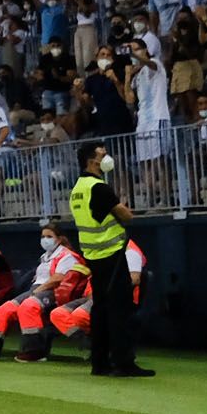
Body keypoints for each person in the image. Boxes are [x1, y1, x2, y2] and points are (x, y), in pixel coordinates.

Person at [70, 142, 153, 376]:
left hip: (93, 256)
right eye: (102, 154)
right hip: (111, 255)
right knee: (120, 310)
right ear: (91, 161)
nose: (107, 157)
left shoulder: (78, 188)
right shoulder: (99, 187)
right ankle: (123, 362)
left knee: (100, 310)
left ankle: (100, 362)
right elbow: (126, 216)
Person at [0, 225, 85, 362]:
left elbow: (59, 278)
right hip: (36, 289)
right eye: (43, 236)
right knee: (3, 310)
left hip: (54, 291)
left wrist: (38, 290)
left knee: (28, 306)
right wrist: (34, 290)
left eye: (49, 236)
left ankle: (33, 351)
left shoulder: (67, 255)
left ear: (60, 239)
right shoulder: (45, 257)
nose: (45, 240)